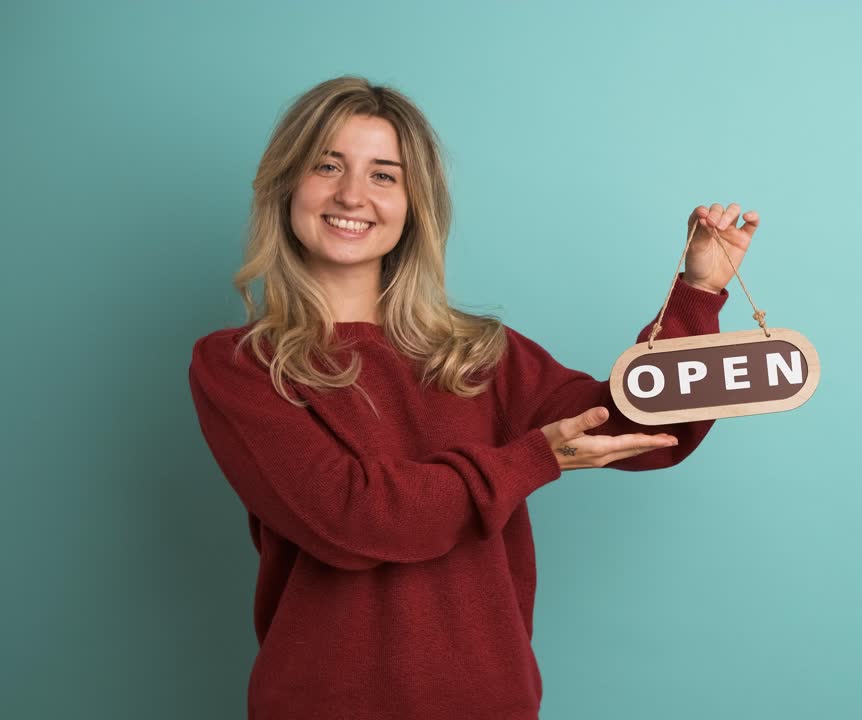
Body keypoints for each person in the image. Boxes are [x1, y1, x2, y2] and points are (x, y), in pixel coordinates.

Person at [187, 75, 759, 719]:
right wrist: (528, 459)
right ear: (287, 184)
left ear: (413, 205)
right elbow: (350, 519)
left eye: (384, 175)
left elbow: (647, 431)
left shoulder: (483, 354)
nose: (352, 194)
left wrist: (696, 296)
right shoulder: (239, 365)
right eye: (328, 165)